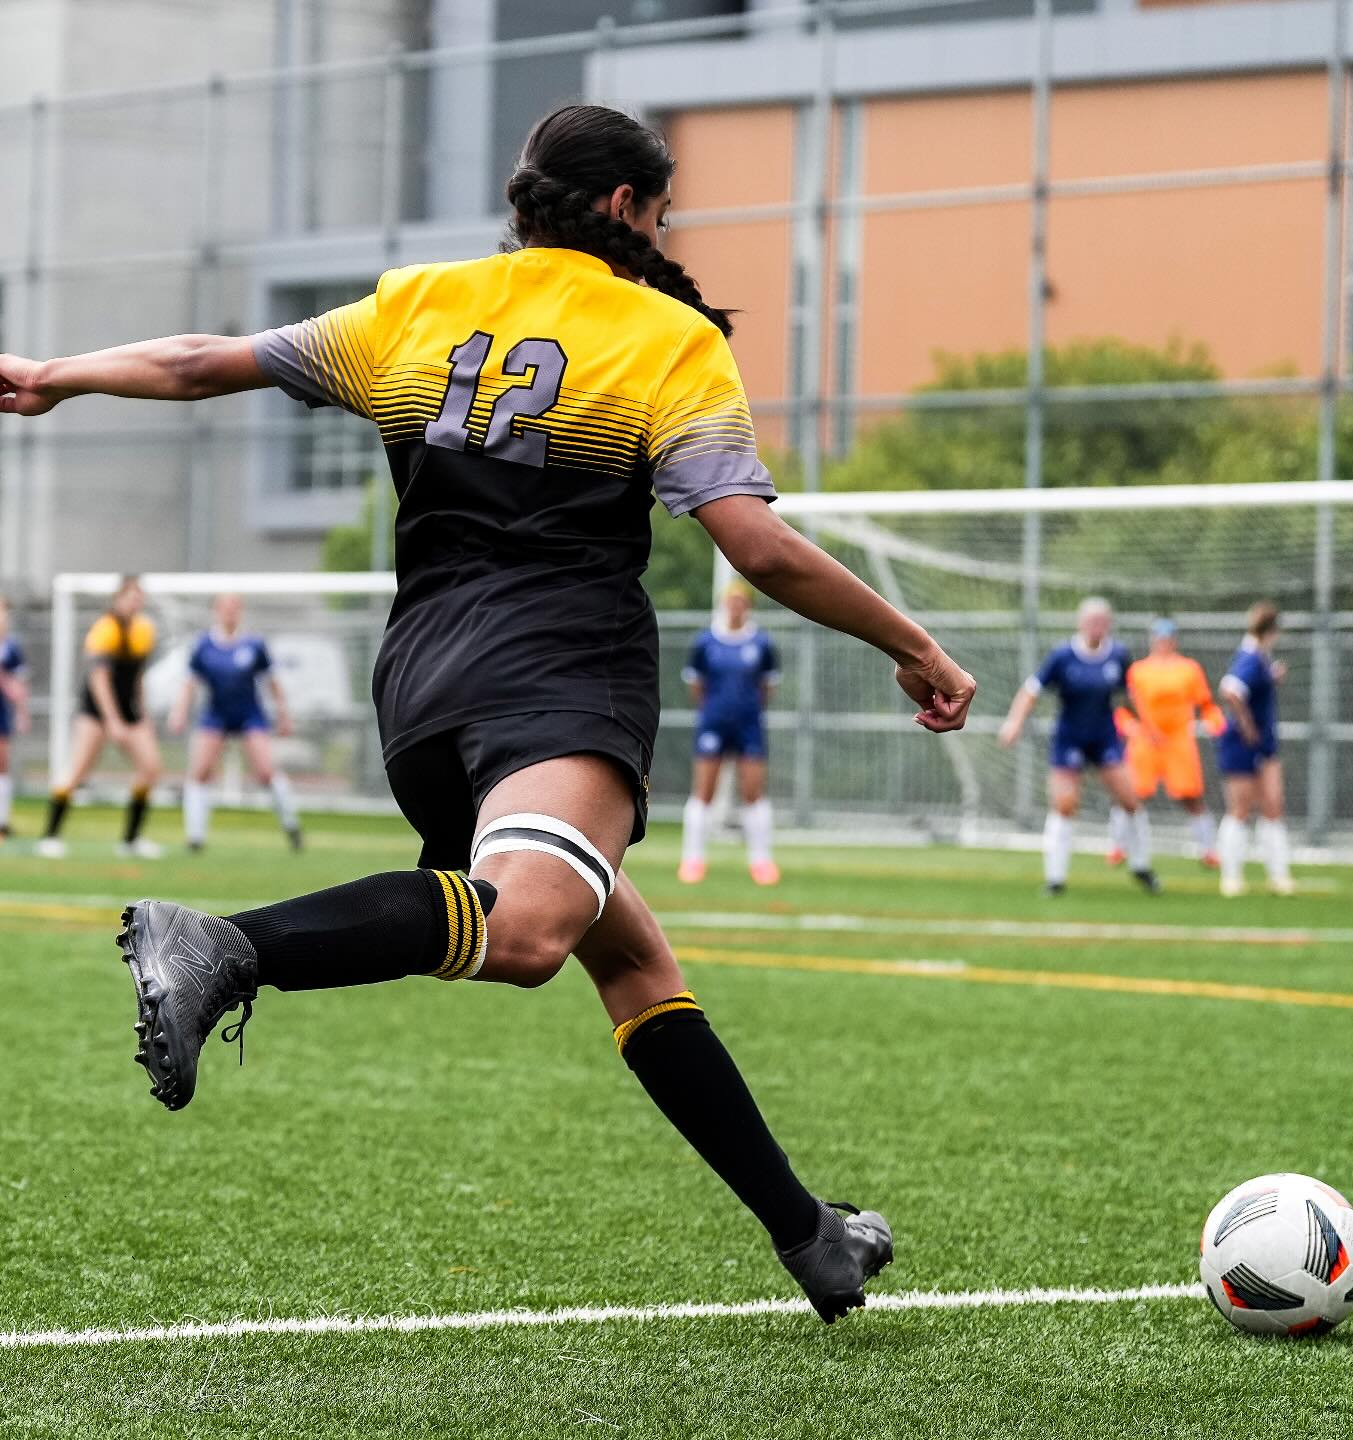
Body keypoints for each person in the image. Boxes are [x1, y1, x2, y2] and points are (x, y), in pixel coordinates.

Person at [0, 104, 975, 1324]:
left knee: (632, 958)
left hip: (421, 685)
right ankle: (229, 946)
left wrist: (54, 375)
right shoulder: (665, 336)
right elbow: (758, 546)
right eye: (662, 211)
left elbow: (204, 360)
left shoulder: (416, 304)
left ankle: (810, 1237)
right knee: (532, 931)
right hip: (558, 669)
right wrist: (915, 645)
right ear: (625, 207)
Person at [998, 596, 1159, 895]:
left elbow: (1127, 696)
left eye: (1102, 621)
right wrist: (1014, 722)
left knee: (1130, 800)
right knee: (1065, 805)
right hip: (1069, 738)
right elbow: (1031, 691)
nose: (1097, 626)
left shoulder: (1118, 655)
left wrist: (1147, 727)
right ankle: (1055, 878)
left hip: (1104, 737)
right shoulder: (1063, 656)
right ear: (1080, 623)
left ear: (1109, 624)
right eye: (1092, 621)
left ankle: (1141, 866)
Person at [38, 576, 163, 859]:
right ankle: (50, 835)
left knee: (151, 767)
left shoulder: (144, 630)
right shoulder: (104, 629)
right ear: (117, 599)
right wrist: (112, 721)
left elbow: (137, 678)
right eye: (129, 597)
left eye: (138, 598)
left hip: (128, 709)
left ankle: (131, 840)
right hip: (96, 710)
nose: (134, 603)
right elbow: (100, 680)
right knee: (78, 769)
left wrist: (142, 714)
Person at [169, 594, 302, 853]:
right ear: (216, 611)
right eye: (225, 608)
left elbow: (272, 682)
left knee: (266, 771)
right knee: (200, 772)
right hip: (216, 714)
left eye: (234, 608)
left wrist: (284, 714)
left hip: (249, 714)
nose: (229, 613)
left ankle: (291, 826)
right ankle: (195, 838)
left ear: (240, 612)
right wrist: (179, 712)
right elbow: (190, 683)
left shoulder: (254, 645)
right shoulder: (204, 646)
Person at [679, 581, 781, 885]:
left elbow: (766, 687)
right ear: (724, 604)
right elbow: (696, 685)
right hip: (713, 724)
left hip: (749, 726)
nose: (736, 606)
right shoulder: (706, 642)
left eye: (741, 601)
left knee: (753, 792)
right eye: (731, 601)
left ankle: (761, 861)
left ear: (748, 606)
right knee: (703, 791)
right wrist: (715, 711)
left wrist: (746, 710)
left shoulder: (761, 643)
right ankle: (693, 860)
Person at [1108, 618, 1225, 869]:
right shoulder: (1138, 670)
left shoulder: (1189, 669)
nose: (1163, 643)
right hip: (1145, 739)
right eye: (1159, 638)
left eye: (1167, 638)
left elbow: (1206, 704)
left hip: (1178, 740)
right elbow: (1124, 708)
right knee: (1131, 795)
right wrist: (1127, 727)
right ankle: (1119, 846)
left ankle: (1208, 849)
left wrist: (1214, 722)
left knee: (1191, 796)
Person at [1216, 601, 1293, 897]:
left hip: (1265, 742)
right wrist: (1247, 725)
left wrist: (1272, 676)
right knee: (1241, 808)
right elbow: (1230, 689)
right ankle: (1231, 876)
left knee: (1273, 805)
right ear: (1271, 630)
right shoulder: (1249, 656)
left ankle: (1279, 874)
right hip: (1242, 742)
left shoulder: (1261, 657)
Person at [0, 596, 29, 840]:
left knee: (2, 762)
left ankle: (2, 821)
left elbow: (18, 684)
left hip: (1, 712)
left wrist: (22, 712)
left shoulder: (11, 647)